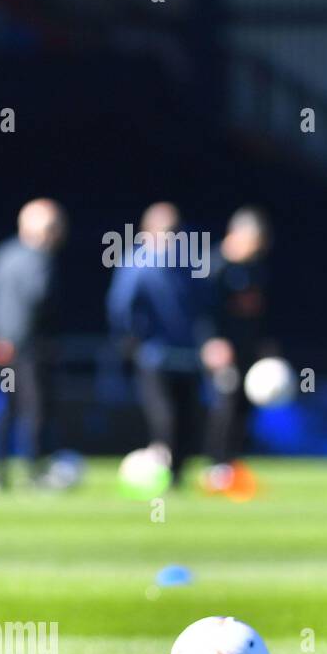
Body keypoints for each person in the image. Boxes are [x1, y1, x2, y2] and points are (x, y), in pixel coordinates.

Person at [107, 202, 211, 487]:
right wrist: (133, 339)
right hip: (155, 357)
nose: (172, 238)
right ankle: (160, 473)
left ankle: (178, 476)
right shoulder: (136, 263)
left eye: (175, 232)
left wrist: (207, 341)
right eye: (166, 232)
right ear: (147, 232)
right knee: (165, 419)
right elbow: (121, 307)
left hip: (188, 357)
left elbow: (204, 307)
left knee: (189, 419)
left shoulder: (190, 264)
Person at [0, 199, 67, 486]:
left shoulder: (1, 254)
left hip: (1, 348)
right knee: (34, 409)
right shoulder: (39, 259)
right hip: (27, 350)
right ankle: (34, 470)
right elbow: (38, 300)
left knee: (6, 408)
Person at [202, 207, 273, 483]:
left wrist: (264, 345)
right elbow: (201, 311)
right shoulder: (214, 265)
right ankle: (215, 464)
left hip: (247, 350)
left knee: (245, 405)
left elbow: (259, 313)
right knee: (225, 403)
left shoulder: (255, 269)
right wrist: (211, 342)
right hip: (221, 352)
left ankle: (232, 462)